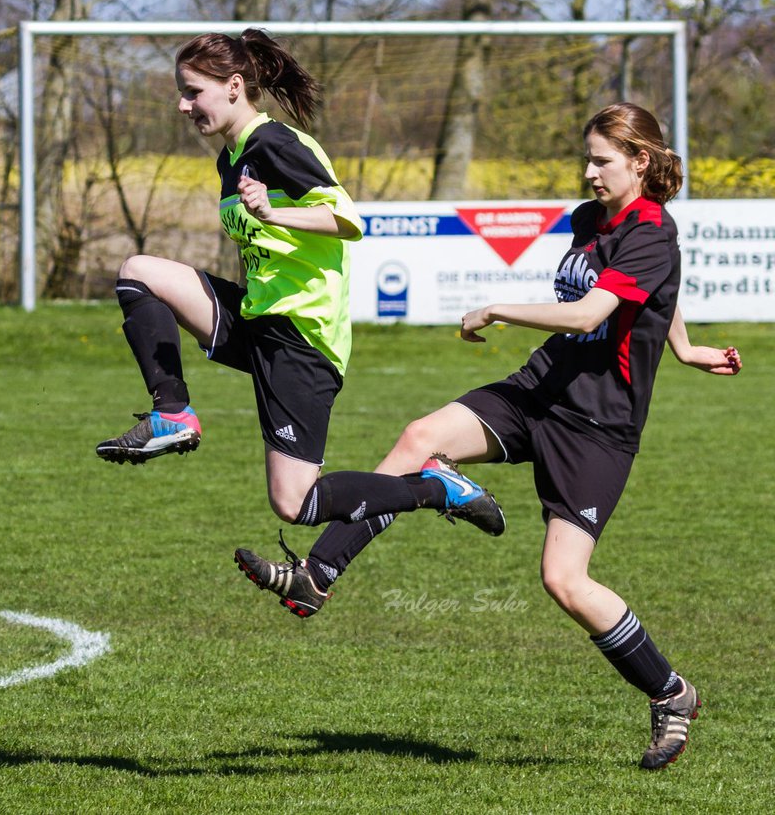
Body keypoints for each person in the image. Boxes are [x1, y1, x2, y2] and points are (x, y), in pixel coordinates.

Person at [234, 101, 743, 771]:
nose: (588, 172)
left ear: (640, 161)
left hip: (597, 428)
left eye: (601, 160)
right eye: (587, 158)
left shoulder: (653, 230)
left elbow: (598, 306)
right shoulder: (594, 219)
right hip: (538, 390)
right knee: (420, 436)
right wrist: (683, 347)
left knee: (563, 580)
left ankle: (671, 693)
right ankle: (316, 576)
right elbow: (651, 293)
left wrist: (501, 307)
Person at [97, 27, 505, 568]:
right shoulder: (232, 157)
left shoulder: (277, 144)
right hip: (257, 318)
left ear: (234, 86)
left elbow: (347, 220)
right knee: (138, 272)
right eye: (182, 91)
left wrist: (273, 213)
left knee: (295, 502)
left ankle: (433, 486)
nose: (183, 104)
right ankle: (172, 414)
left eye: (193, 91)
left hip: (301, 340)